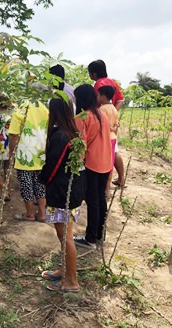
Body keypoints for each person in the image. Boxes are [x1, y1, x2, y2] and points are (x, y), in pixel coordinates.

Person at [38, 98, 86, 293]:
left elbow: (53, 167)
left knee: (65, 236)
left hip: (63, 192)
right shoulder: (72, 133)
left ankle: (72, 281)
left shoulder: (60, 137)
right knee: (64, 235)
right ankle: (65, 270)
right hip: (72, 191)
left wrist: (41, 178)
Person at [73, 84, 112, 250]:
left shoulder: (82, 117)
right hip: (105, 163)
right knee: (100, 200)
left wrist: (76, 167)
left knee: (92, 201)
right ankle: (99, 235)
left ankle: (90, 239)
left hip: (92, 164)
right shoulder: (102, 115)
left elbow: (80, 145)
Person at [8, 101, 49, 222]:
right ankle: (42, 214)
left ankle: (30, 214)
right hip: (40, 153)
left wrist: (11, 152)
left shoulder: (21, 109)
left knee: (26, 185)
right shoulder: (45, 110)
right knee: (40, 185)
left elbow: (14, 135)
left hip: (24, 155)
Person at [88, 59, 125, 187]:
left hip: (102, 125)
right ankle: (120, 178)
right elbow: (120, 100)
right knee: (114, 151)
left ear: (94, 73)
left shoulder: (99, 84)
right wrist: (112, 110)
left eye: (90, 73)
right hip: (113, 124)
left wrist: (103, 114)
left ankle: (105, 185)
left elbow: (93, 103)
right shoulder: (113, 83)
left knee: (104, 154)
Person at [97, 85, 119, 198]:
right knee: (110, 165)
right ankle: (107, 189)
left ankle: (105, 190)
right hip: (113, 138)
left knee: (104, 165)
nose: (97, 97)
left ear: (103, 96)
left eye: (98, 95)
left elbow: (102, 126)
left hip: (105, 139)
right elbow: (116, 125)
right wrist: (114, 129)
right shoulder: (114, 109)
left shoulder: (102, 110)